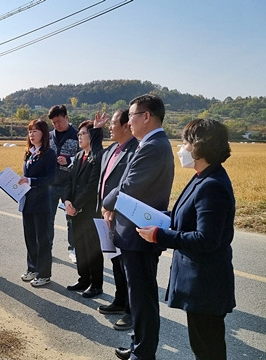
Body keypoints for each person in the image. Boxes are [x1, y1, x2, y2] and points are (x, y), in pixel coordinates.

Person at [138, 119, 235, 360]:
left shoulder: (212, 185)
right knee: (203, 346)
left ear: (200, 146)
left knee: (208, 349)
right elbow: (185, 216)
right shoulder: (202, 176)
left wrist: (160, 235)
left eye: (185, 142)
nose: (181, 148)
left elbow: (206, 239)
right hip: (200, 283)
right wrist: (159, 217)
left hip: (206, 284)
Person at [102, 94, 175, 360]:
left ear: (146, 116)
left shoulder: (154, 146)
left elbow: (130, 185)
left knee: (143, 297)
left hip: (140, 233)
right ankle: (138, 346)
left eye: (131, 116)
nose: (129, 122)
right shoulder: (150, 143)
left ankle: (143, 353)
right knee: (138, 295)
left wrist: (107, 203)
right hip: (135, 231)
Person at [89, 109, 139, 331]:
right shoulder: (113, 150)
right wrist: (96, 131)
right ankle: (120, 301)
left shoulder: (134, 151)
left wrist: (113, 209)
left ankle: (131, 310)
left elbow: (129, 188)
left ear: (127, 125)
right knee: (115, 261)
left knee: (127, 266)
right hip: (106, 216)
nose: (111, 126)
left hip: (122, 217)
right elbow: (96, 155)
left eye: (114, 123)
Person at [62, 120, 104, 298]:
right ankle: (84, 278)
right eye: (78, 134)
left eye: (83, 134)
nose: (79, 137)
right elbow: (69, 181)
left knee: (92, 248)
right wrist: (66, 201)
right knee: (80, 246)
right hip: (75, 210)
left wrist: (76, 205)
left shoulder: (98, 156)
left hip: (89, 211)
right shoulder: (79, 156)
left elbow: (91, 186)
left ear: (92, 136)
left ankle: (96, 284)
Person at [18, 119, 57, 287]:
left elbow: (51, 178)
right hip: (28, 201)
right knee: (30, 237)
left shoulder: (49, 153)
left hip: (42, 202)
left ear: (44, 133)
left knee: (43, 239)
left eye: (35, 131)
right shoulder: (29, 153)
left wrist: (31, 180)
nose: (31, 134)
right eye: (29, 131)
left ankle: (44, 274)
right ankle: (32, 268)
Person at [47, 104, 79, 263]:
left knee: (71, 219)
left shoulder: (77, 135)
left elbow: (84, 156)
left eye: (59, 121)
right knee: (48, 218)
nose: (57, 125)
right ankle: (47, 247)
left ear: (66, 117)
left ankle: (73, 249)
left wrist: (69, 160)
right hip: (51, 183)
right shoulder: (49, 135)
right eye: (54, 123)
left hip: (70, 183)